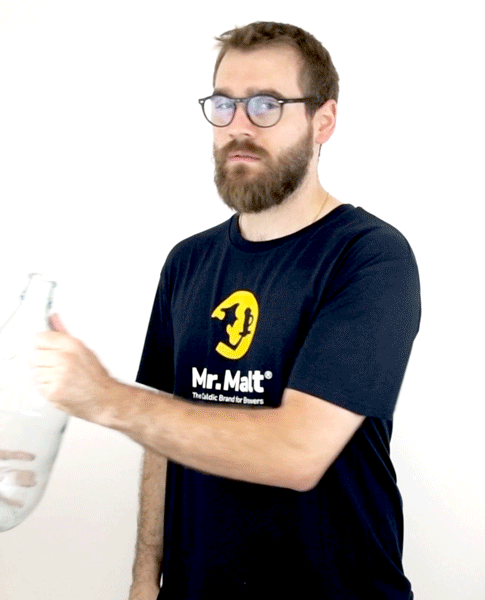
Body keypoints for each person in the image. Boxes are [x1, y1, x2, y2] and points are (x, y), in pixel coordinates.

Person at [31, 21, 421, 600]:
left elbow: (298, 452)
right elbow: (163, 433)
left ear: (323, 121)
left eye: (266, 104)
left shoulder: (367, 256)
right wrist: (145, 575)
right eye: (223, 104)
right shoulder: (187, 262)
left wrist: (105, 398)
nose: (239, 126)